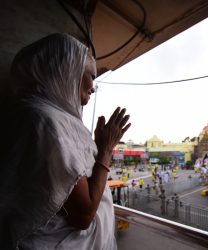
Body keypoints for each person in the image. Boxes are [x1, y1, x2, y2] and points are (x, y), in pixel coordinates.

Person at [0, 33, 131, 249]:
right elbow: (83, 215)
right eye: (91, 75)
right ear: (66, 70)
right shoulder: (46, 122)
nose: (93, 87)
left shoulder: (43, 116)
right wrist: (106, 149)